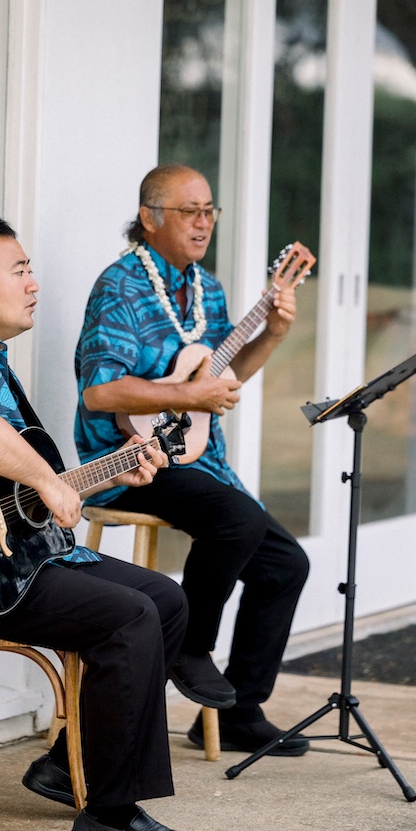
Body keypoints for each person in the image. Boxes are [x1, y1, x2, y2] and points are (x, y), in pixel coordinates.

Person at [0, 215, 204, 831]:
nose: (34, 283)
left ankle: (68, 765)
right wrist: (49, 480)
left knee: (167, 600)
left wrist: (113, 469)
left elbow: (20, 498)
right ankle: (109, 814)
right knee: (130, 617)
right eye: (20, 270)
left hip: (18, 558)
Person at [74, 163, 311, 756]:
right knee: (238, 519)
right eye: (190, 211)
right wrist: (187, 393)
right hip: (130, 460)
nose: (204, 223)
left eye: (210, 211)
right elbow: (100, 393)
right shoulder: (121, 288)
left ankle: (240, 712)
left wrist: (272, 334)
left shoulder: (208, 289)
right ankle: (189, 644)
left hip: (201, 459)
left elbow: (221, 378)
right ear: (150, 217)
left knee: (286, 565)